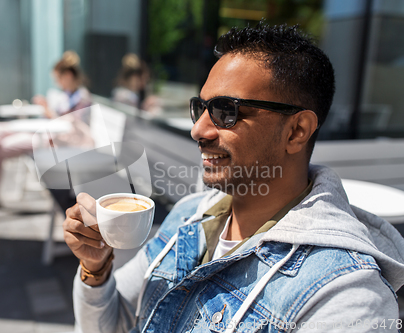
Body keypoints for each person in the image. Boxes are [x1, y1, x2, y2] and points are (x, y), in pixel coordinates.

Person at [63, 23, 404, 332]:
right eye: (201, 108)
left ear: (297, 131)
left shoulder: (344, 296)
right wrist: (96, 269)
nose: (198, 130)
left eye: (226, 111)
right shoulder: (189, 216)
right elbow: (115, 324)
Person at [0, 51, 93, 207]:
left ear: (68, 75)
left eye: (58, 78)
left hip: (55, 142)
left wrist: (47, 110)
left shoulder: (81, 97)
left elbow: (70, 127)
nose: (57, 83)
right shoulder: (67, 95)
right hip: (44, 135)